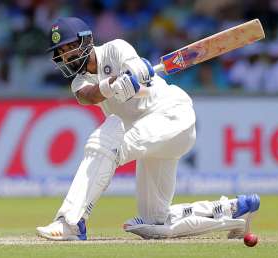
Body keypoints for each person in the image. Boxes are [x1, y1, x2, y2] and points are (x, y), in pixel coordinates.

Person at [36, 17, 260, 240]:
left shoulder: (115, 48)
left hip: (172, 115)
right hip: (151, 137)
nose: (66, 55)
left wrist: (136, 73)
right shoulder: (79, 82)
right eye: (61, 51)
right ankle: (233, 209)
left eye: (69, 47)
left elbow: (135, 67)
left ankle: (71, 222)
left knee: (106, 140)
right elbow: (88, 96)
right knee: (154, 220)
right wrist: (111, 86)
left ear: (86, 41)